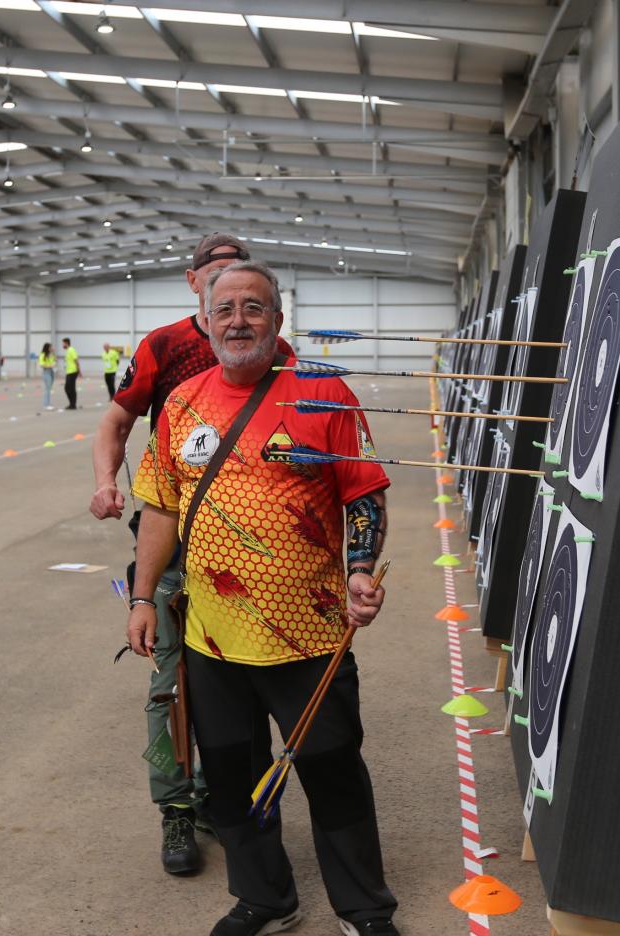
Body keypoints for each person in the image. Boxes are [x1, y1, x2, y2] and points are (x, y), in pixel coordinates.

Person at [126, 260, 400, 936]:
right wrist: (141, 598)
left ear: (277, 319)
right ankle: (265, 899)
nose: (238, 320)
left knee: (333, 771)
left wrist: (360, 568)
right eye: (225, 309)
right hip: (211, 640)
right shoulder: (182, 402)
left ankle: (364, 909)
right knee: (231, 776)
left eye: (254, 307)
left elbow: (363, 492)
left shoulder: (323, 394)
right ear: (207, 320)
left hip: (309, 633)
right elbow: (160, 508)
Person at [90, 234, 293, 877]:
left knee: (235, 686)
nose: (230, 292)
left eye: (241, 275)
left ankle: (218, 796)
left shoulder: (269, 348)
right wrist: (107, 482)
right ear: (193, 281)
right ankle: (175, 807)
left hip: (246, 553)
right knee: (168, 684)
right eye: (216, 275)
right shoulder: (163, 345)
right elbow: (115, 421)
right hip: (171, 542)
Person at [62, 337, 81, 409]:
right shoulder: (68, 351)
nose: (62, 345)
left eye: (63, 343)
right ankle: (72, 404)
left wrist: (79, 371)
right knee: (67, 388)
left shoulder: (71, 350)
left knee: (71, 388)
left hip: (73, 371)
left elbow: (76, 360)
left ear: (66, 343)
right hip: (69, 371)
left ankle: (73, 404)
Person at [39, 342, 56, 410]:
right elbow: (41, 364)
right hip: (46, 372)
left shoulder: (50, 354)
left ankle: (48, 404)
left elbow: (55, 360)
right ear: (47, 348)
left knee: (49, 388)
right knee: (47, 389)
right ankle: (46, 405)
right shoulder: (42, 355)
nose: (52, 348)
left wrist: (53, 353)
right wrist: (50, 366)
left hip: (52, 371)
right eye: (50, 347)